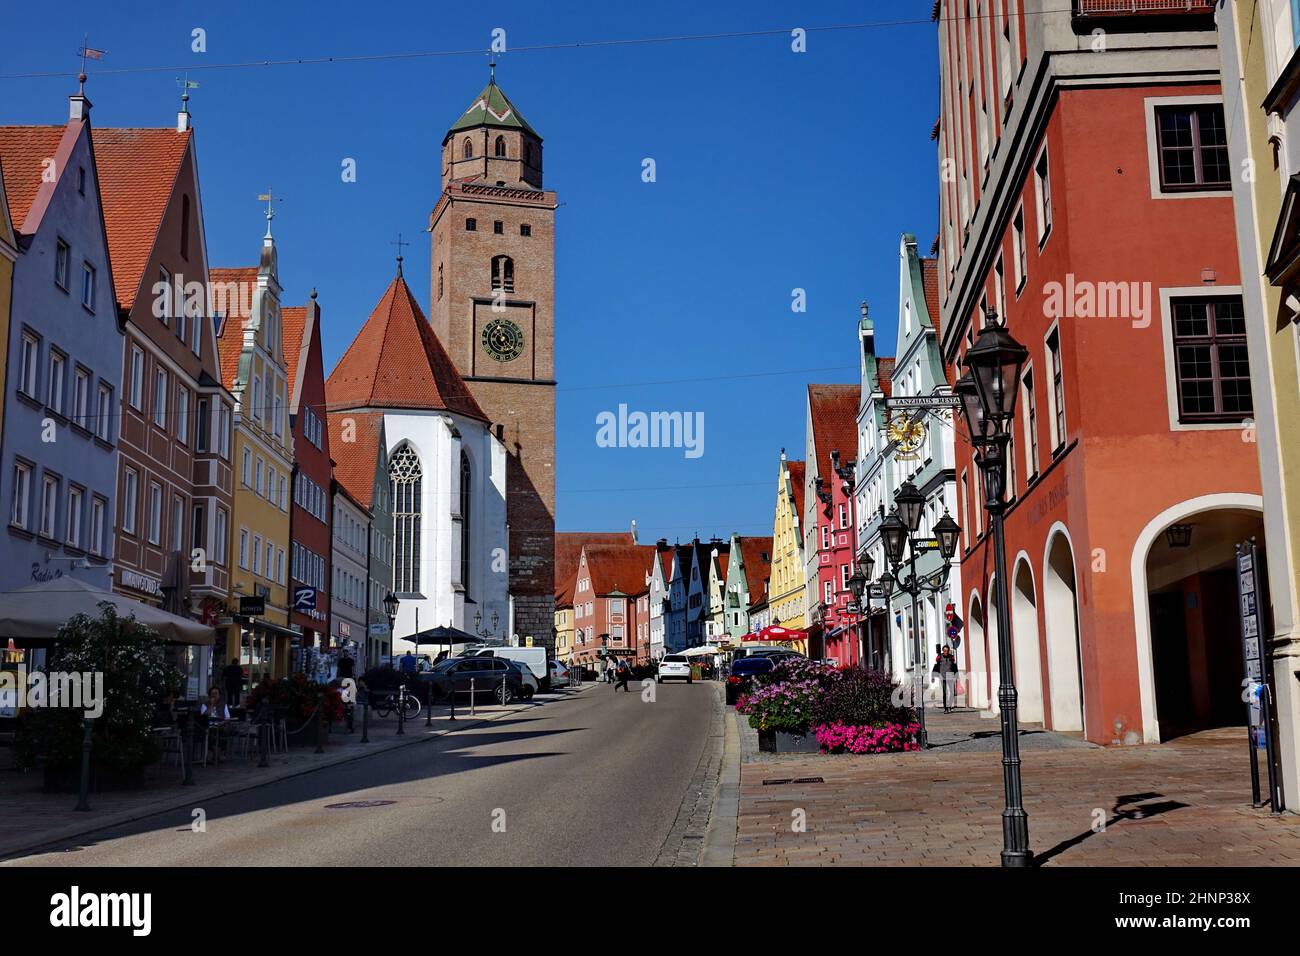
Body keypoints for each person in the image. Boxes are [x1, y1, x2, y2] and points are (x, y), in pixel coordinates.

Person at [935, 646, 959, 713]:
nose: (946, 652)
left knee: (952, 692)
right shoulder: (939, 657)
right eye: (945, 651)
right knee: (945, 693)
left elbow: (954, 666)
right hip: (943, 676)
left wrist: (956, 675)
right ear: (943, 651)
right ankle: (946, 708)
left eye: (947, 651)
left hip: (950, 675)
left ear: (949, 651)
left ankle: (950, 706)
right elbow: (936, 664)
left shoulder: (951, 657)